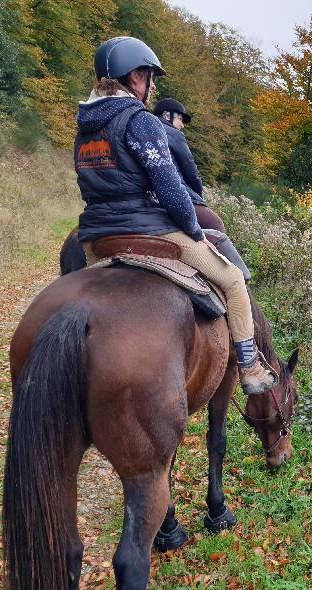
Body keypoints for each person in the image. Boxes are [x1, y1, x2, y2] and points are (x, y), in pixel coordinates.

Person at [73, 36, 276, 394]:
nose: (152, 87)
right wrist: (194, 230)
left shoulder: (85, 126)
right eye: (150, 77)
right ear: (136, 76)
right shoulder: (140, 121)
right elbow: (170, 188)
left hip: (96, 239)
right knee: (232, 281)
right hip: (149, 232)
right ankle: (249, 367)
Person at [153, 97, 251, 281]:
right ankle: (230, 277)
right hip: (176, 192)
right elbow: (191, 171)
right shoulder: (173, 134)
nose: (182, 125)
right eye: (180, 119)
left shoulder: (145, 129)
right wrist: (197, 197)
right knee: (215, 224)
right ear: (167, 115)